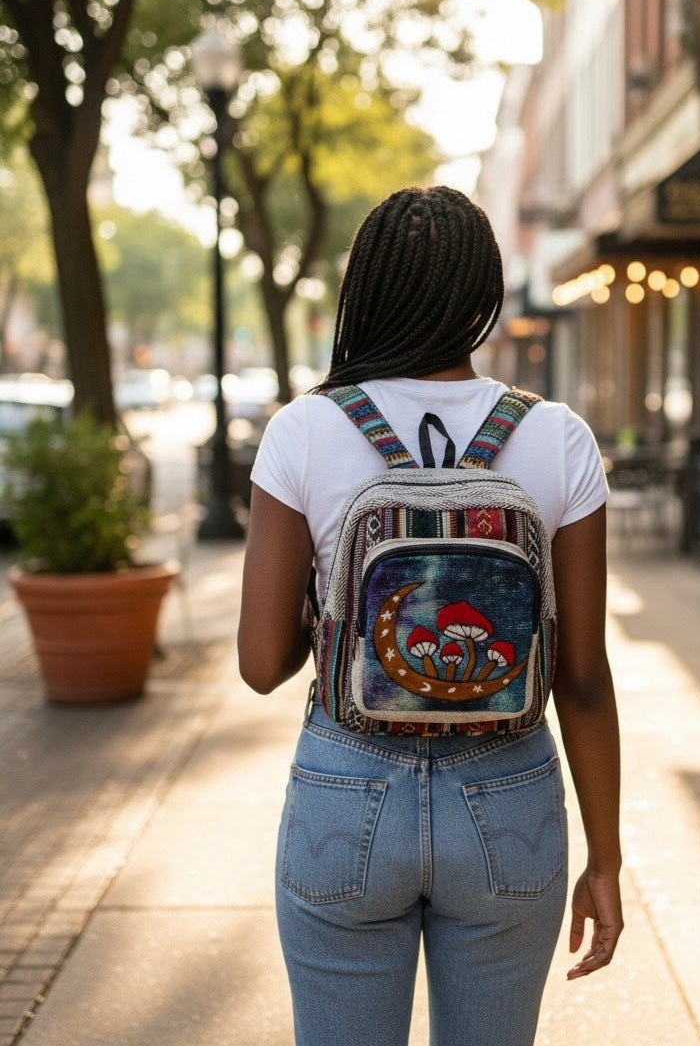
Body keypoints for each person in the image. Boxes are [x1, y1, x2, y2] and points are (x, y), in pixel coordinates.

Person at [238, 185, 622, 1046]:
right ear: (482, 295)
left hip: (346, 786)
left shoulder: (304, 431)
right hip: (509, 795)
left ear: (365, 290)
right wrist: (606, 855)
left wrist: (343, 600)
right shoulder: (558, 437)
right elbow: (584, 675)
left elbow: (262, 663)